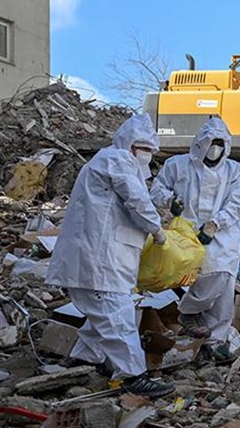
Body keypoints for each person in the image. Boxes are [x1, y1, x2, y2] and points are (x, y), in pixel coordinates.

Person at [45, 113, 176, 397]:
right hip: (99, 258)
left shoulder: (113, 162)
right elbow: (137, 200)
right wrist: (157, 229)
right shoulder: (116, 159)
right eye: (145, 149)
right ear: (131, 145)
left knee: (103, 312)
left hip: (103, 257)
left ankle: (83, 359)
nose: (147, 156)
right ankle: (133, 376)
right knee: (116, 314)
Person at [150, 118, 240, 364]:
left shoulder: (234, 171)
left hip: (223, 234)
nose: (215, 149)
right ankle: (190, 314)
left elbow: (236, 203)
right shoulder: (178, 165)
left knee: (222, 281)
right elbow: (157, 189)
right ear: (200, 144)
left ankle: (212, 343)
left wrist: (216, 224)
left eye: (219, 144)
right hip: (186, 233)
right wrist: (170, 201)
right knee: (200, 278)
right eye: (211, 143)